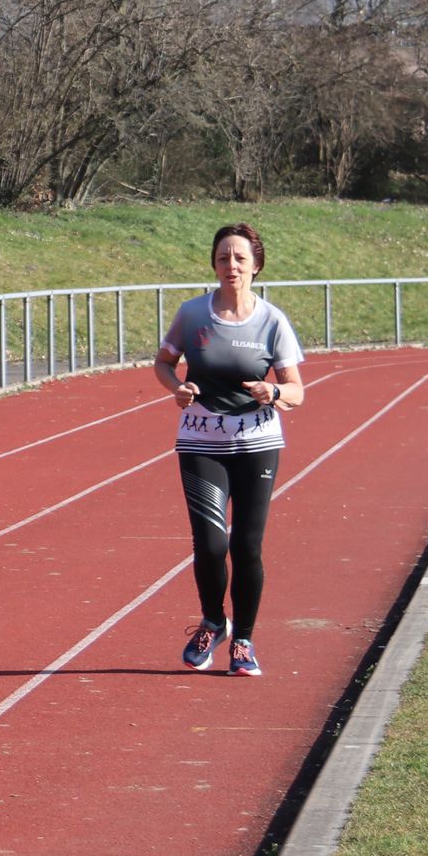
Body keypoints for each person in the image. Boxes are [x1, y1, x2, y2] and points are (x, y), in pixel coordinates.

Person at [153, 221, 305, 677]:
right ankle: (213, 623)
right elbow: (163, 363)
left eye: (240, 258)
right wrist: (177, 388)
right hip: (201, 442)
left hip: (257, 443)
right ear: (214, 265)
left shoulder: (272, 320)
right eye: (223, 257)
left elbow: (296, 390)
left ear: (256, 266)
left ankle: (244, 641)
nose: (231, 265)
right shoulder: (192, 314)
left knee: (247, 546)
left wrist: (272, 392)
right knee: (210, 543)